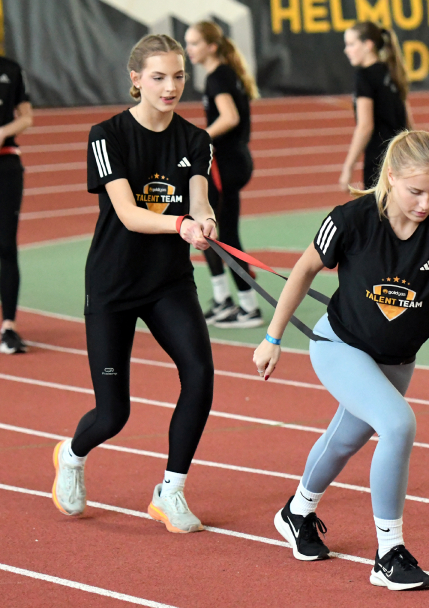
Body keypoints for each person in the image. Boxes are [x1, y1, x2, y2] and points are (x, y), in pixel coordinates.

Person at [253, 131, 429, 590]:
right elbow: (303, 270)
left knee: (343, 441)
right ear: (391, 177)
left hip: (397, 360)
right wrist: (272, 337)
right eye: (415, 191)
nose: (425, 203)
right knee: (398, 425)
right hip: (340, 346)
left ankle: (296, 512)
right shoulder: (352, 219)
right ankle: (388, 553)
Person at [51, 34, 217, 532]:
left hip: (168, 281)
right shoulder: (107, 135)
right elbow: (126, 213)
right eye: (160, 77)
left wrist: (203, 222)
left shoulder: (196, 140)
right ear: (136, 79)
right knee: (113, 414)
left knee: (201, 372)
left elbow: (200, 199)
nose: (171, 87)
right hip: (113, 284)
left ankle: (171, 490)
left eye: (179, 76)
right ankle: (73, 457)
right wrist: (180, 225)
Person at [185, 21, 263, 328]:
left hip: (227, 165)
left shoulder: (218, 77)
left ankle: (249, 305)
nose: (189, 49)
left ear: (211, 46)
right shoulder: (222, 75)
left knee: (224, 235)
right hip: (231, 161)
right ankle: (222, 299)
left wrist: (200, 138)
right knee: (208, 228)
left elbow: (229, 117)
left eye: (194, 43)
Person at [339, 22, 412, 192]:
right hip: (401, 157)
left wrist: (348, 167)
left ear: (368, 45)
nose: (346, 50)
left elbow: (365, 127)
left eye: (351, 44)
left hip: (379, 161)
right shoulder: (392, 70)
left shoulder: (364, 77)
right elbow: (408, 122)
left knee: (380, 214)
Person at [0, 55, 33, 354]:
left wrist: (2, 132)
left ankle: (8, 326)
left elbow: (26, 117)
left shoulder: (10, 69)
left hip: (6, 165)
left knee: (6, 246)